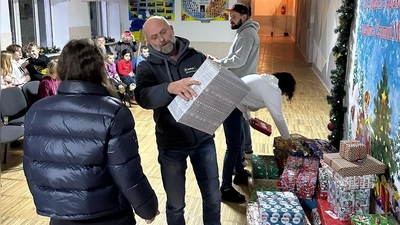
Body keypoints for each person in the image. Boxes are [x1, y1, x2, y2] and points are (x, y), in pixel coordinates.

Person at [23, 38, 159, 225]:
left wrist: (52, 202)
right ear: (99, 67)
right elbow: (126, 171)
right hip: (109, 214)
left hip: (61, 215)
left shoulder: (36, 111)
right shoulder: (114, 112)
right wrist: (147, 207)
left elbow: (31, 168)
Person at [135, 16, 221, 225]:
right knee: (175, 205)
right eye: (154, 37)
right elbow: (143, 97)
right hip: (171, 145)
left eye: (163, 32)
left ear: (171, 29)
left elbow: (212, 90)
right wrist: (169, 88)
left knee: (213, 197)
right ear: (148, 41)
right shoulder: (147, 67)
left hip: (204, 140)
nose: (161, 40)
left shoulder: (196, 57)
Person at [210, 3, 260, 204]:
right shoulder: (243, 32)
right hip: (235, 89)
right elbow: (234, 58)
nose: (230, 19)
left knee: (233, 144)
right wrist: (220, 61)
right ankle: (238, 173)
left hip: (235, 91)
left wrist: (217, 63)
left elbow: (238, 61)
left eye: (233, 16)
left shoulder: (247, 34)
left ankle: (225, 187)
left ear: (245, 16)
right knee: (236, 139)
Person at [237, 72, 295, 145]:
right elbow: (278, 117)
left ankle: (245, 154)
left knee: (237, 143)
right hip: (232, 105)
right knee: (235, 146)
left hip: (232, 101)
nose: (283, 94)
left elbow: (245, 100)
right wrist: (288, 139)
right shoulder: (274, 90)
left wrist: (248, 118)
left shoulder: (264, 80)